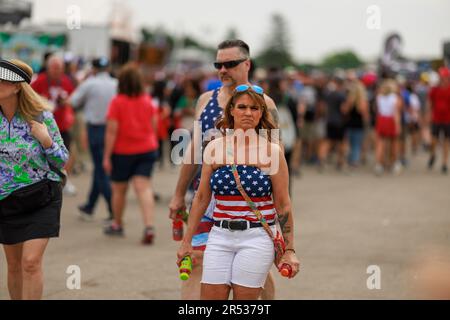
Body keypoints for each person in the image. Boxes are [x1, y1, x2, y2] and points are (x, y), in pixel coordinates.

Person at [169, 39, 279, 300]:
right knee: (195, 260)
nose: (223, 70)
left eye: (230, 64)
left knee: (255, 266)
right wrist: (178, 194)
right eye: (218, 64)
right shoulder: (206, 100)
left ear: (247, 64)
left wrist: (276, 210)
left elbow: (275, 161)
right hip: (206, 197)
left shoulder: (264, 104)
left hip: (248, 203)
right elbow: (193, 152)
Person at [177, 85, 300, 300]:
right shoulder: (215, 148)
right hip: (219, 236)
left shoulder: (272, 152)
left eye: (254, 108)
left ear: (261, 113)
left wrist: (289, 250)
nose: (248, 113)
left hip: (256, 238)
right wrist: (187, 241)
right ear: (231, 110)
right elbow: (202, 198)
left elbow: (283, 205)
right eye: (242, 107)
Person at [0, 59, 69, 299]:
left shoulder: (41, 117)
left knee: (30, 262)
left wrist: (46, 140)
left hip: (41, 196)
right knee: (14, 265)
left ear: (17, 86)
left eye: (1, 79)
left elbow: (62, 160)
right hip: (6, 201)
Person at [102, 63, 159, 244]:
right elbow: (155, 125)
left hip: (122, 152)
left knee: (119, 189)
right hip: (147, 149)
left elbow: (112, 131)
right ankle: (149, 226)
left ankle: (117, 224)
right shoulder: (147, 100)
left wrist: (106, 156)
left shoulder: (117, 102)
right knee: (144, 188)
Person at [70, 57, 117, 222]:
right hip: (113, 128)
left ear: (94, 69)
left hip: (96, 128)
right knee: (101, 167)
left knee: (101, 169)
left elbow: (74, 101)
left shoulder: (90, 83)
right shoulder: (115, 84)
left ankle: (114, 208)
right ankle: (90, 205)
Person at [31, 54, 77, 195]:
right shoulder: (40, 81)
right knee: (45, 154)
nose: (57, 71)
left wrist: (66, 102)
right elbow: (29, 97)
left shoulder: (66, 81)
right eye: (55, 68)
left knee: (64, 153)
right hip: (43, 125)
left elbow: (72, 98)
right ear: (49, 68)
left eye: (60, 68)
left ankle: (64, 180)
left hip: (62, 125)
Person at [427, 67, 450, 174]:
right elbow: (430, 103)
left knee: (446, 141)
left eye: (445, 77)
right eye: (442, 77)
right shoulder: (434, 89)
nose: (443, 79)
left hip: (447, 119)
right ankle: (433, 155)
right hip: (436, 118)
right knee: (433, 141)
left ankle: (444, 163)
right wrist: (428, 115)